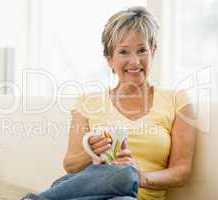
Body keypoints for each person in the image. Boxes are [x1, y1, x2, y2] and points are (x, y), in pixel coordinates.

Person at [22, 6, 196, 200]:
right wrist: (92, 154)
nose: (134, 61)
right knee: (115, 176)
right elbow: (70, 165)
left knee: (126, 183)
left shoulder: (177, 100)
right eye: (123, 52)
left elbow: (181, 171)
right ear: (109, 58)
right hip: (87, 191)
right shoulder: (88, 102)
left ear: (153, 52)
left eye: (142, 50)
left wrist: (140, 177)